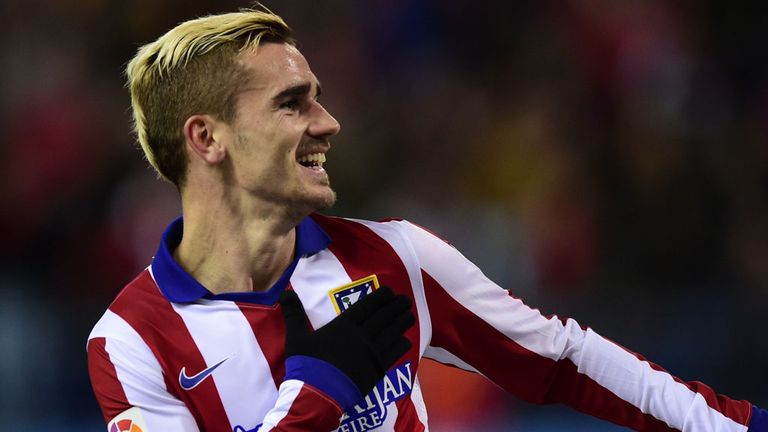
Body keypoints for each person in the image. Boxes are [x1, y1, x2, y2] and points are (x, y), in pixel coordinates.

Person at [87, 7, 767, 432]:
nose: (329, 123)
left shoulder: (395, 259)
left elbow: (564, 361)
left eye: (319, 99)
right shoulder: (129, 342)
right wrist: (318, 394)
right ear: (208, 139)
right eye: (293, 104)